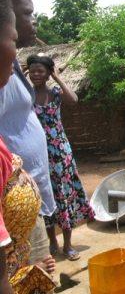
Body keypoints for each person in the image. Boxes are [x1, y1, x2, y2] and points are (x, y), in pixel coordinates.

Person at [0, 0, 55, 293]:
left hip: (24, 203)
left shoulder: (12, 68)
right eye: (27, 14)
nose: (34, 21)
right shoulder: (3, 72)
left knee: (39, 278)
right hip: (10, 212)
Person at [27, 54, 95, 261]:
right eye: (32, 71)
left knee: (64, 197)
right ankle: (52, 242)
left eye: (40, 71)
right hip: (37, 154)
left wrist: (57, 78)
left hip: (59, 153)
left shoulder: (55, 93)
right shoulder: (26, 95)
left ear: (49, 72)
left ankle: (67, 244)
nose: (36, 74)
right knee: (44, 196)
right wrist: (20, 76)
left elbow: (73, 100)